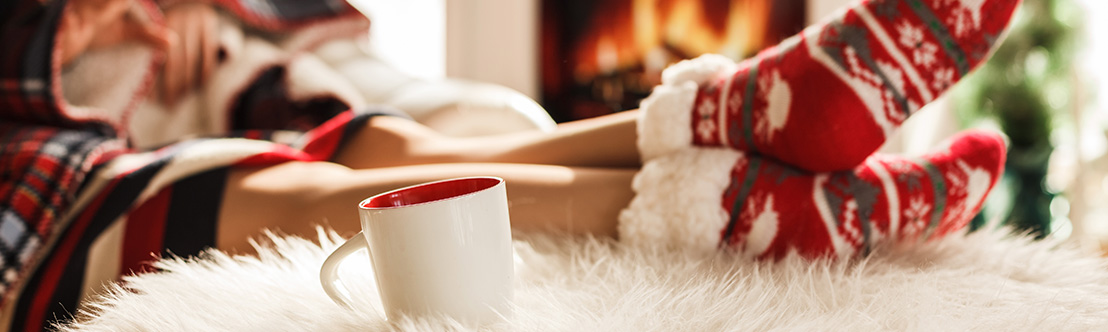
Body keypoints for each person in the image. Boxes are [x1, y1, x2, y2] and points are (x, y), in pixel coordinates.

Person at [0, 0, 1019, 329]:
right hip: (39, 216)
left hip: (104, 148)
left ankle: (747, 116)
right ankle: (736, 187)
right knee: (319, 189)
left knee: (396, 142)